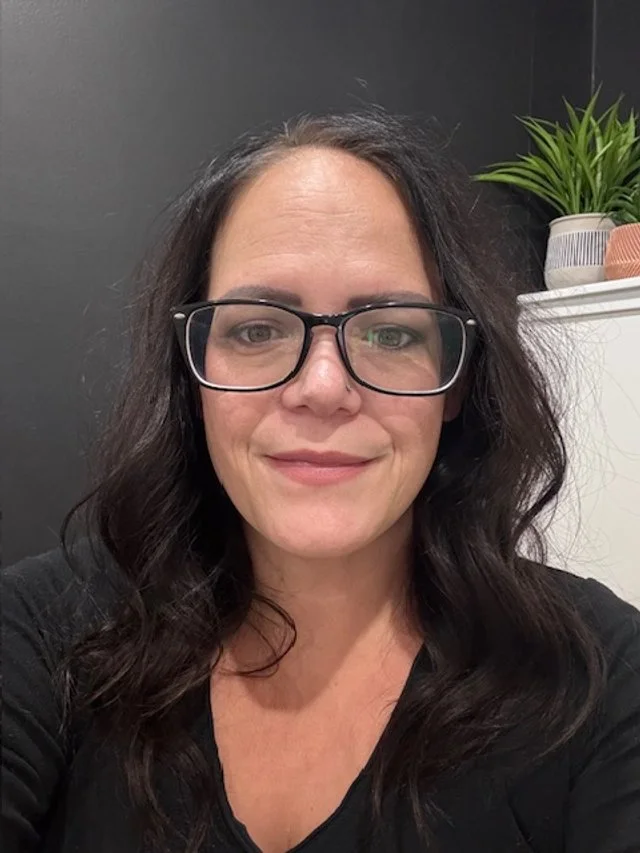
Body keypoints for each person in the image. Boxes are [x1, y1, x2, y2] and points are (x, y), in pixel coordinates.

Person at [2, 108, 639, 853]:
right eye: (257, 328)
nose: (323, 387)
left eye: (393, 331)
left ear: (456, 380)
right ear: (192, 373)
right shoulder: (40, 639)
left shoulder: (599, 679)